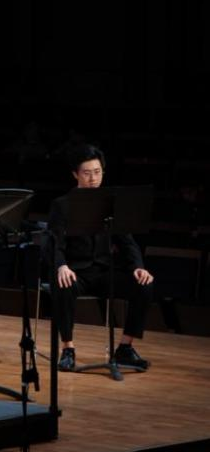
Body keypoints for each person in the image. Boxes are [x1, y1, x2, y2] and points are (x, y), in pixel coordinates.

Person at [48, 145, 155, 372]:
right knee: (63, 284)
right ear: (75, 174)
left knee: (144, 285)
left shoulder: (111, 204)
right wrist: (62, 266)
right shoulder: (62, 205)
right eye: (87, 173)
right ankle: (68, 349)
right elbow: (55, 243)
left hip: (104, 272)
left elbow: (127, 242)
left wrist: (138, 267)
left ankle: (125, 348)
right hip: (75, 272)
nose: (93, 178)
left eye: (97, 172)